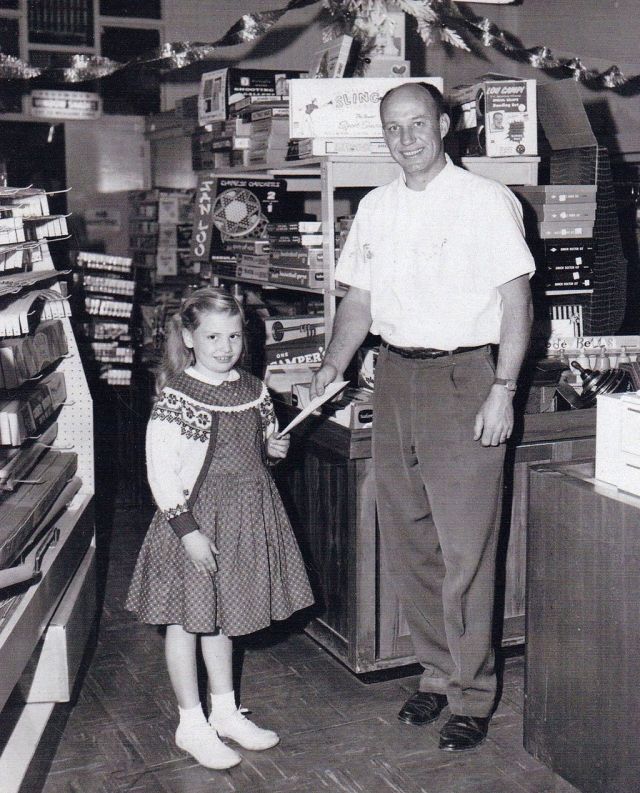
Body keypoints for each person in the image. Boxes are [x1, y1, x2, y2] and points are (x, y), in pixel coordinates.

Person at [310, 82, 534, 752]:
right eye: (392, 127)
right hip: (397, 374)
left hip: (466, 375)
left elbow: (517, 305)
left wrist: (504, 387)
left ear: (445, 124)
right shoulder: (375, 208)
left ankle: (471, 693)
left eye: (417, 124)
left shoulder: (488, 201)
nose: (405, 139)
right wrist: (330, 366)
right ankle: (435, 676)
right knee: (409, 538)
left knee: (467, 548)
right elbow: (357, 304)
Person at [126, 287, 314, 770]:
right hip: (193, 522)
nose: (224, 346)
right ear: (189, 337)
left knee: (222, 614)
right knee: (187, 622)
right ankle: (191, 723)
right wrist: (187, 529)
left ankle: (225, 712)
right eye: (212, 336)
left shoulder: (253, 389)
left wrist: (273, 450)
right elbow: (161, 471)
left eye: (233, 335)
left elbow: (262, 446)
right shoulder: (177, 398)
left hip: (245, 515)